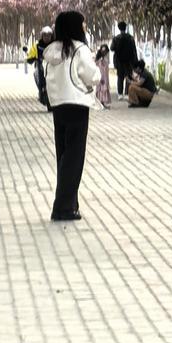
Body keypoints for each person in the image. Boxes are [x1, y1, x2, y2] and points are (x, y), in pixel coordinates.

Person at [42, 12, 99, 220]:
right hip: (77, 105)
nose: (84, 27)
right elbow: (93, 76)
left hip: (58, 106)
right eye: (83, 24)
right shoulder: (79, 49)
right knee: (74, 158)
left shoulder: (52, 51)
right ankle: (63, 207)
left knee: (64, 155)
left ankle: (70, 202)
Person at [111, 21, 139, 96]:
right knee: (129, 77)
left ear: (119, 28)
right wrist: (135, 61)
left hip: (119, 61)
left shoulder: (116, 38)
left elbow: (112, 48)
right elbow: (134, 50)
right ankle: (127, 93)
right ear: (125, 28)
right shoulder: (130, 38)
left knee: (120, 77)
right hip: (129, 61)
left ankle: (120, 94)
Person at [32, 27, 53, 107]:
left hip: (52, 65)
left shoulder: (54, 44)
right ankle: (41, 90)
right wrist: (31, 58)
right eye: (45, 35)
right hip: (41, 65)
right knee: (36, 73)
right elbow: (32, 53)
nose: (46, 37)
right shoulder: (38, 45)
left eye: (48, 35)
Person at [94, 41, 112, 108]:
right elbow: (100, 69)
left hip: (105, 77)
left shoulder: (105, 59)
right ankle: (101, 104)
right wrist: (101, 78)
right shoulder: (100, 60)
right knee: (101, 90)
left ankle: (102, 103)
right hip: (101, 78)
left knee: (104, 89)